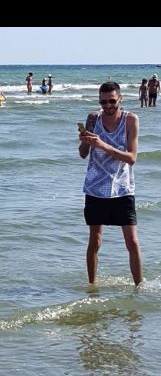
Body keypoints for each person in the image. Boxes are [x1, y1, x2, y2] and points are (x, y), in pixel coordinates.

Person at [78, 81, 143, 287]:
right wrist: (84, 141)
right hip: (95, 188)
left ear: (120, 99)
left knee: (132, 243)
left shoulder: (130, 120)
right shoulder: (93, 118)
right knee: (94, 242)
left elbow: (131, 158)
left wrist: (102, 145)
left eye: (111, 101)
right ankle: (92, 286)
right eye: (103, 101)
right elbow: (82, 154)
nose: (107, 106)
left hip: (122, 189)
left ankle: (139, 287)